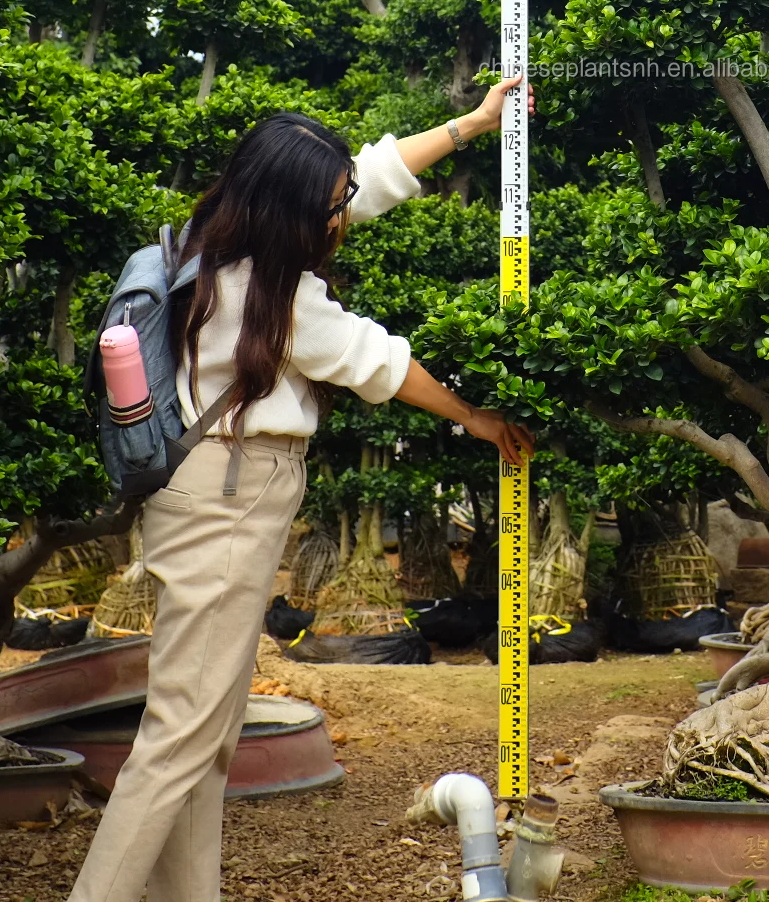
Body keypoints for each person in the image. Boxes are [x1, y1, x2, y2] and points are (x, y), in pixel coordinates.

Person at [68, 78, 534, 902]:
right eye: (328, 205)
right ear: (288, 210)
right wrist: (476, 417)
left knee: (204, 738)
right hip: (229, 500)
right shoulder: (273, 294)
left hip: (205, 488)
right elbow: (381, 364)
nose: (339, 215)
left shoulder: (209, 247)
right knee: (181, 737)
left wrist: (473, 125)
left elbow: (373, 178)